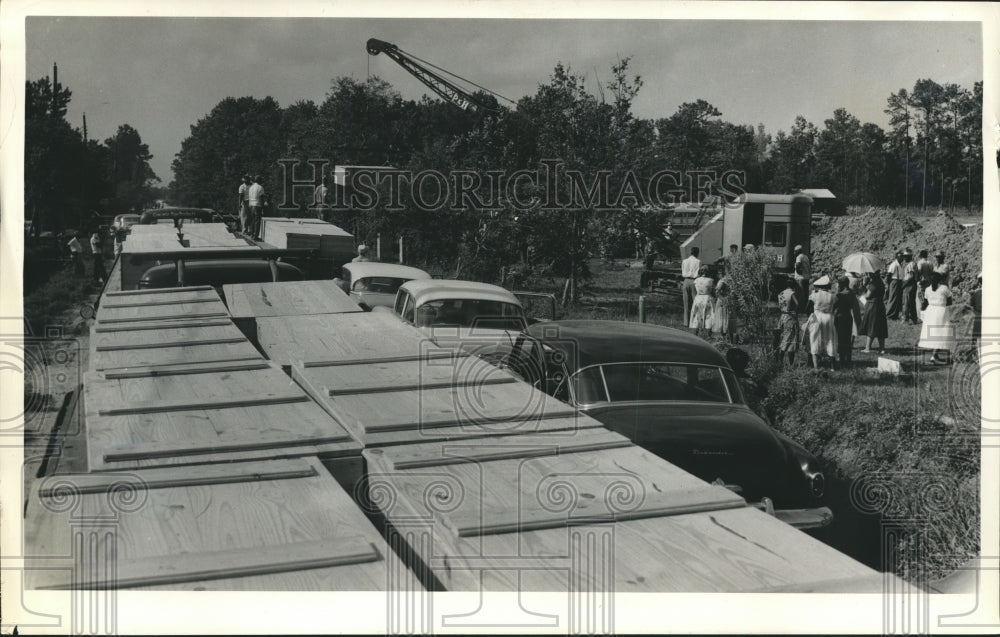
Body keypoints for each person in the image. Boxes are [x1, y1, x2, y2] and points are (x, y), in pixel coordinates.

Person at [918, 271, 955, 365]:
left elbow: (925, 303)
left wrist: (922, 312)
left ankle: (936, 355)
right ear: (940, 280)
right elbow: (950, 301)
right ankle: (937, 356)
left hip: (930, 312)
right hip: (941, 311)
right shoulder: (944, 288)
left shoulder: (927, 289)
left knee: (935, 333)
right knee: (943, 333)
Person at [806, 275, 837, 370]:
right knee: (830, 339)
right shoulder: (833, 296)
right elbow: (835, 307)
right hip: (829, 317)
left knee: (815, 339)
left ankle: (816, 366)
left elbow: (807, 308)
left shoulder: (814, 295)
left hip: (817, 317)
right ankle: (832, 366)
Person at [833, 276, 862, 366]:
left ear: (841, 284)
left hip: (840, 317)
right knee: (847, 339)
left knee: (841, 339)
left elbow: (834, 307)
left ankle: (842, 359)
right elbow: (855, 308)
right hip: (848, 317)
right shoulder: (852, 293)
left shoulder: (840, 295)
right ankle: (848, 359)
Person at [860, 271, 888, 354]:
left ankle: (867, 347)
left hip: (872, 306)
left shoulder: (873, 284)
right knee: (880, 327)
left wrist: (864, 289)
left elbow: (868, 295)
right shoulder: (881, 282)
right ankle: (882, 348)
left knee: (871, 326)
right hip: (880, 305)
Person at [775, 277, 800, 366]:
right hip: (790, 317)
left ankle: (780, 360)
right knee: (791, 339)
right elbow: (797, 304)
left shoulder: (781, 293)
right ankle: (789, 362)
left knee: (784, 337)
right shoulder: (792, 293)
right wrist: (794, 310)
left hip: (783, 316)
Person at [689, 265, 714, 337]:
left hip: (698, 298)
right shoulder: (710, 280)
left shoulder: (696, 280)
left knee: (696, 315)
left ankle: (695, 333)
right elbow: (712, 291)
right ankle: (708, 335)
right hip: (707, 298)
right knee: (708, 315)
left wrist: (695, 299)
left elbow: (693, 291)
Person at [712, 263, 733, 342]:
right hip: (727, 299)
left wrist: (720, 298)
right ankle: (725, 334)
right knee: (725, 316)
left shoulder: (722, 281)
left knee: (721, 316)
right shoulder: (729, 280)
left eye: (719, 273)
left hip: (722, 300)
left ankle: (723, 335)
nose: (718, 275)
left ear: (721, 273)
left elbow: (717, 291)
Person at [681, 247, 701, 325]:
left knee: (686, 302)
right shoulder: (698, 261)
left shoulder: (684, 261)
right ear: (697, 253)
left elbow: (683, 271)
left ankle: (686, 322)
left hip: (686, 281)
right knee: (695, 301)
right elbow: (699, 272)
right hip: (694, 281)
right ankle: (694, 321)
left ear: (691, 252)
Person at [915, 249, 935, 321]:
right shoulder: (930, 263)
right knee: (927, 299)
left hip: (922, 283)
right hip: (929, 283)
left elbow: (918, 273)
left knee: (920, 299)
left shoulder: (920, 263)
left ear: (920, 256)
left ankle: (920, 316)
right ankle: (928, 315)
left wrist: (917, 281)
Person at [900, 247, 918, 324]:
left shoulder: (911, 264)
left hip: (909, 285)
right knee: (911, 302)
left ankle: (905, 318)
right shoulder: (911, 264)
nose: (904, 258)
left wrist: (904, 284)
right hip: (911, 284)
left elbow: (911, 276)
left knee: (906, 302)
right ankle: (914, 318)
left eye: (906, 256)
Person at [885, 251, 904, 320]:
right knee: (893, 298)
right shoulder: (894, 264)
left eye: (902, 257)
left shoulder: (900, 264)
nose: (902, 258)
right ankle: (889, 314)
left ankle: (894, 314)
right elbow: (889, 275)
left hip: (899, 282)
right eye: (900, 257)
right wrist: (889, 284)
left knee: (897, 299)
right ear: (897, 257)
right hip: (894, 281)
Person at [246, 175, 265, 240]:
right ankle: (255, 236)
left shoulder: (251, 187)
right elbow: (262, 198)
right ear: (259, 180)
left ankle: (252, 234)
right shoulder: (260, 187)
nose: (262, 181)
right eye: (261, 180)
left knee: (252, 220)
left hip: (251, 205)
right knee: (257, 221)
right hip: (257, 205)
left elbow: (249, 197)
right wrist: (263, 208)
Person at [793, 244, 810, 312]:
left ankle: (800, 309)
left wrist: (798, 271)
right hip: (806, 277)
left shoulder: (799, 257)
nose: (794, 253)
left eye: (795, 251)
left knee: (800, 294)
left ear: (798, 251)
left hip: (800, 278)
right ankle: (806, 308)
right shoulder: (806, 257)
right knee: (806, 294)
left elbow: (798, 264)